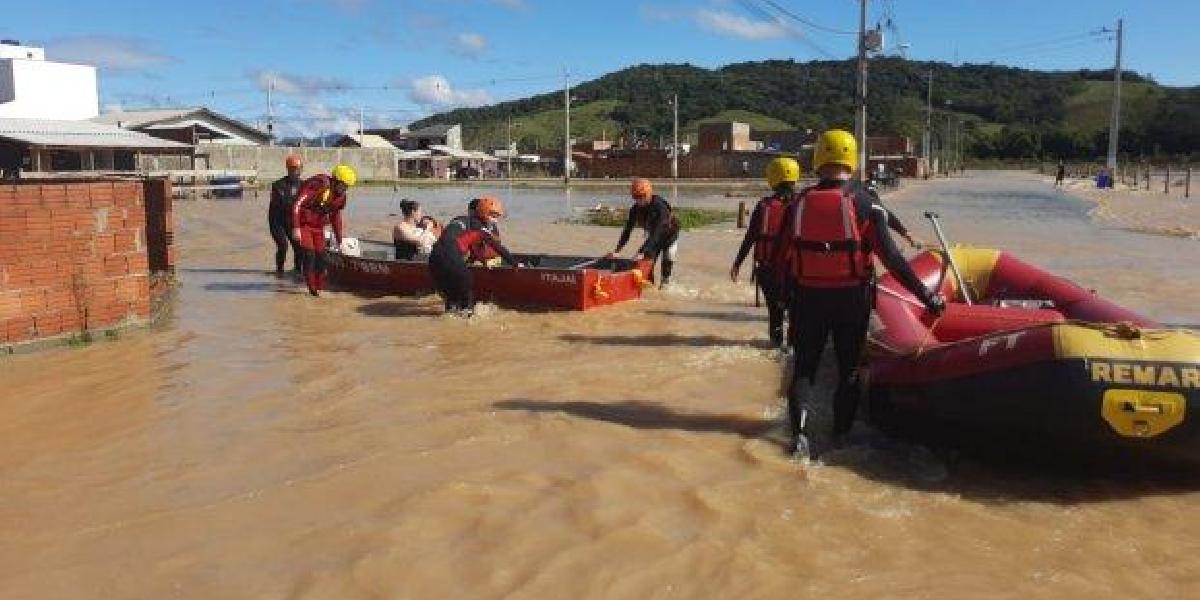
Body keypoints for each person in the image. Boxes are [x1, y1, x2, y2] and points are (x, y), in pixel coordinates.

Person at [777, 129, 944, 459]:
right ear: (851, 161)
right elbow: (893, 260)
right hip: (851, 301)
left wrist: (784, 299)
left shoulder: (797, 204)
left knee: (804, 369)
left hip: (807, 298)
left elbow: (782, 256)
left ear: (818, 159)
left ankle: (798, 438)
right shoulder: (864, 203)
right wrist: (927, 298)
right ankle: (839, 439)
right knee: (849, 371)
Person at [730, 157, 800, 347]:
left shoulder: (763, 207)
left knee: (775, 313)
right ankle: (793, 350)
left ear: (772, 178)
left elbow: (750, 237)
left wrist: (737, 263)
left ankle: (776, 346)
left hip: (768, 269)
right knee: (795, 313)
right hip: (796, 270)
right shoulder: (803, 204)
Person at [428, 196, 520, 316]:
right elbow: (498, 248)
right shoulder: (481, 228)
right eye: (494, 216)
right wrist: (515, 263)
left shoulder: (458, 219)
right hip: (450, 258)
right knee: (467, 305)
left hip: (433, 260)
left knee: (451, 304)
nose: (496, 221)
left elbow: (457, 242)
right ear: (484, 213)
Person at [291, 164, 357, 297]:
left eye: (347, 187)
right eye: (344, 185)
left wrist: (340, 241)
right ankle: (312, 290)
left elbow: (336, 218)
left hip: (318, 227)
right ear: (336, 181)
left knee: (321, 257)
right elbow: (297, 204)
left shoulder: (341, 197)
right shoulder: (318, 185)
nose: (345, 189)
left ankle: (319, 288)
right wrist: (296, 227)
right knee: (309, 255)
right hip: (304, 224)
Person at [606, 178, 680, 287]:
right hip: (653, 239)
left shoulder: (660, 207)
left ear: (649, 194)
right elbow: (627, 230)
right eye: (636, 197)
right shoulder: (634, 210)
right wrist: (617, 250)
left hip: (669, 236)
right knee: (646, 266)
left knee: (668, 258)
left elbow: (657, 232)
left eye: (642, 196)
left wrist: (642, 251)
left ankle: (665, 284)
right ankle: (650, 289)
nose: (639, 200)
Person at [268, 154, 305, 275]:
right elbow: (283, 204)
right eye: (293, 169)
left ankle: (298, 271)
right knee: (283, 245)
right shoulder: (278, 185)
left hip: (293, 221)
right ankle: (279, 271)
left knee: (299, 246)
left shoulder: (304, 186)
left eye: (298, 169)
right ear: (288, 169)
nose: (296, 171)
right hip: (277, 221)